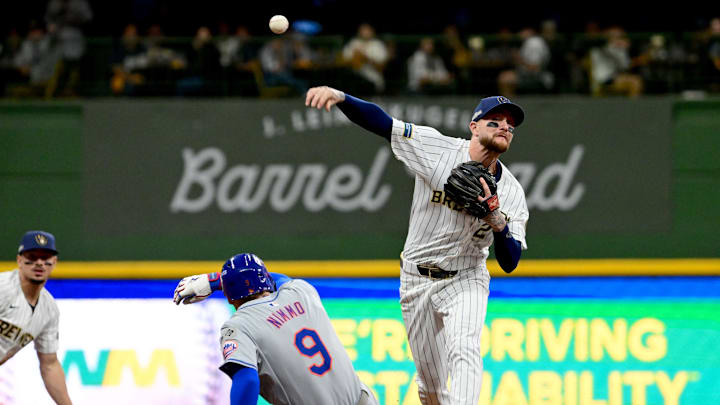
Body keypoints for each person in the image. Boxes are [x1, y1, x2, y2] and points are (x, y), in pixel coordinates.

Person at [304, 86, 529, 404]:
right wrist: (341, 97)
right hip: (415, 278)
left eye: (510, 124)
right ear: (474, 127)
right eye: (495, 121)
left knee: (465, 347)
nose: (505, 127)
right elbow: (384, 124)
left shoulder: (512, 194)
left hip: (466, 277)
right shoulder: (437, 149)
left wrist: (497, 220)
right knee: (430, 389)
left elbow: (510, 260)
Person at [173, 253, 378, 405]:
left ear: (229, 295)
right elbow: (279, 279)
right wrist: (215, 280)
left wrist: (222, 281)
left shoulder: (238, 326)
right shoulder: (300, 291)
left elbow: (247, 380)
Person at [0, 231, 72, 405]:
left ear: (54, 263)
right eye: (32, 257)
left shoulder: (49, 310)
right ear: (19, 260)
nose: (39, 263)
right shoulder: (3, 288)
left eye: (46, 257)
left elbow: (49, 365)